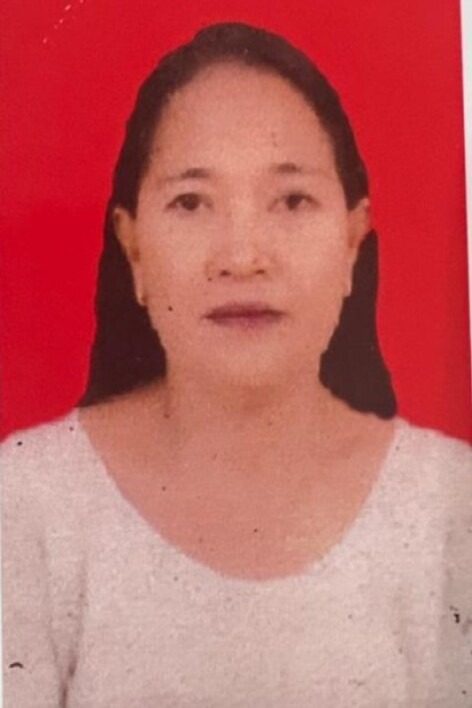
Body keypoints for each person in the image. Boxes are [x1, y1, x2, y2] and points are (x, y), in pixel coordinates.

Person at [2, 21, 471, 708]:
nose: (243, 256)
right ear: (134, 251)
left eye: (292, 200)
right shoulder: (26, 505)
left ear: (351, 242)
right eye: (191, 202)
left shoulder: (450, 503)